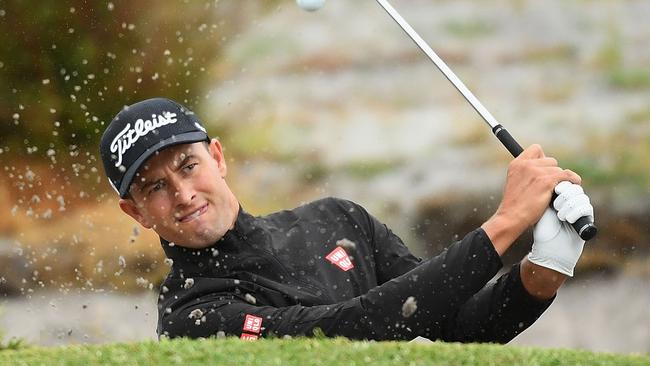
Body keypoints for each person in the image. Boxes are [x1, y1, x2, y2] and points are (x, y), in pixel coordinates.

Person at [100, 97, 594, 342]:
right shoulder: (192, 316)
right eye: (155, 188)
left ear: (218, 157)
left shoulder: (337, 221)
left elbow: (463, 323)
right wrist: (506, 223)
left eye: (188, 166)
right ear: (136, 212)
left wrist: (543, 270)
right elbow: (343, 331)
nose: (183, 194)